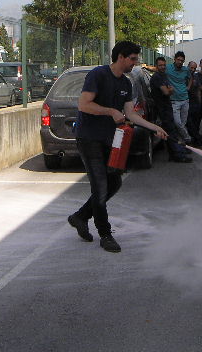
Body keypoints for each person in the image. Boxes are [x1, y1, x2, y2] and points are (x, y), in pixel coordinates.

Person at [69, 41, 167, 253]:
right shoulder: (98, 75)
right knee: (100, 185)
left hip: (110, 140)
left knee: (113, 183)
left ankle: (80, 217)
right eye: (133, 59)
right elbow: (84, 104)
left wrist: (154, 128)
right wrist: (111, 112)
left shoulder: (126, 83)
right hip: (89, 138)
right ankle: (105, 234)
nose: (135, 63)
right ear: (121, 57)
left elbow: (131, 114)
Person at [150, 57, 193, 163]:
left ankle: (175, 153)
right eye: (160, 65)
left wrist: (170, 89)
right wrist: (170, 90)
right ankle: (177, 155)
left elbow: (169, 89)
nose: (162, 67)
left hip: (167, 107)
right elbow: (166, 92)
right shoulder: (156, 77)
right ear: (156, 66)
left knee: (171, 131)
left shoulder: (163, 75)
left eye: (164, 65)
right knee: (170, 131)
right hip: (162, 109)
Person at [166, 51, 192, 144]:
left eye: (182, 60)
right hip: (174, 101)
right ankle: (187, 138)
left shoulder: (186, 70)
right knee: (177, 123)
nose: (180, 62)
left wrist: (188, 87)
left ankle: (181, 143)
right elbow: (157, 70)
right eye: (178, 60)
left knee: (183, 123)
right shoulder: (168, 68)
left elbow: (190, 78)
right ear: (175, 59)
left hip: (185, 99)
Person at [185, 60, 202, 147]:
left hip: (195, 102)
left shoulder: (196, 77)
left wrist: (199, 102)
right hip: (186, 102)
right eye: (191, 67)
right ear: (188, 67)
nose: (193, 69)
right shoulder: (184, 76)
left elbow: (198, 90)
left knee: (195, 122)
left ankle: (195, 140)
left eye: (194, 68)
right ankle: (198, 138)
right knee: (189, 122)